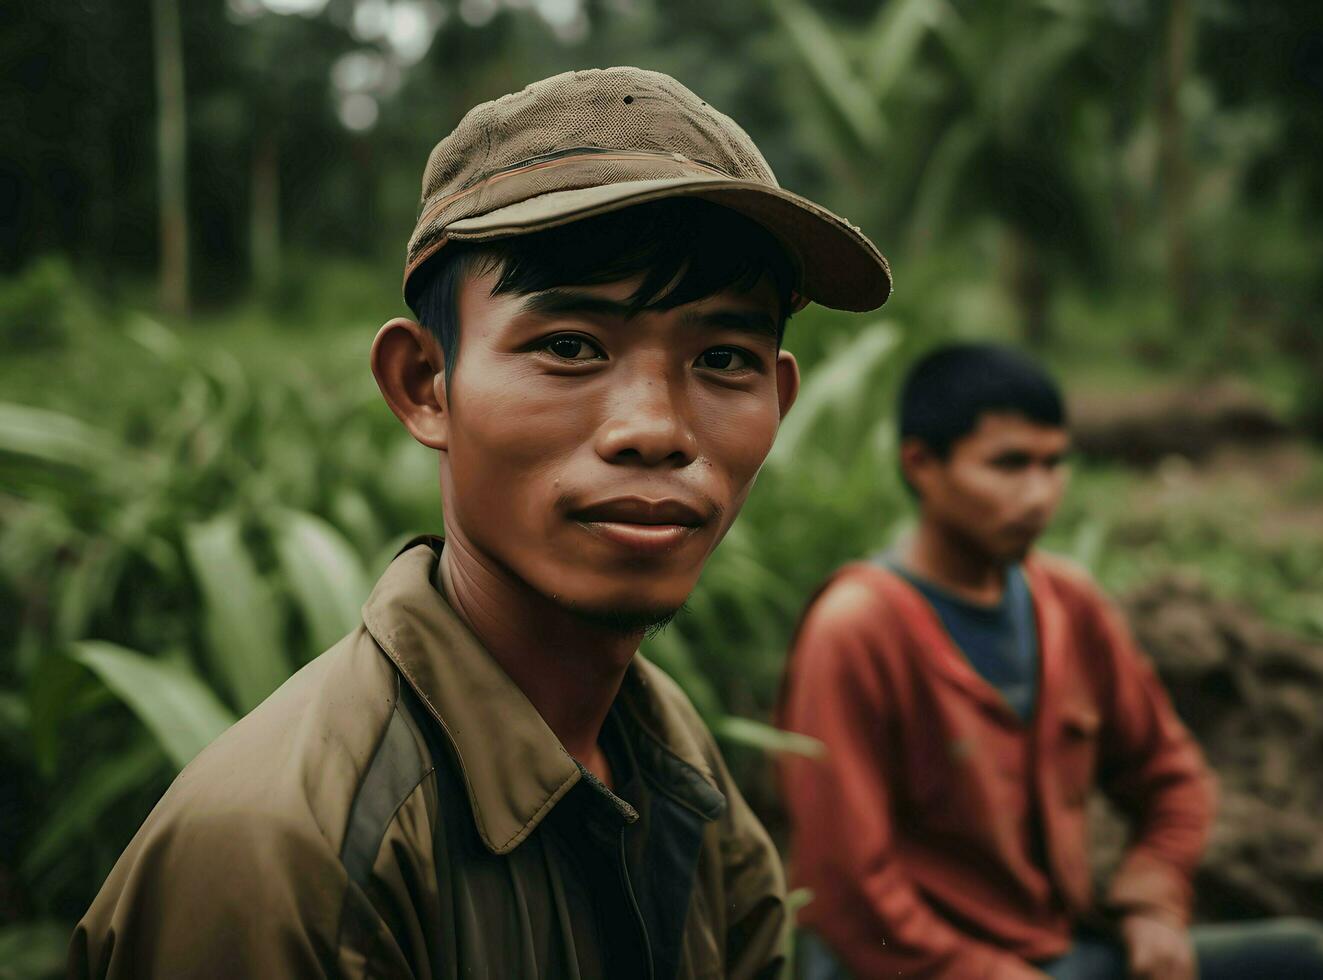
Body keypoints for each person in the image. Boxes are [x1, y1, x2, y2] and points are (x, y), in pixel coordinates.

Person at [67, 67, 891, 979]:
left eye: (724, 357)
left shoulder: (675, 771)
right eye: (570, 347)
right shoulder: (288, 854)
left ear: (779, 399)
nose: (656, 429)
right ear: (425, 386)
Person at [775, 343, 1323, 980]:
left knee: (1318, 964)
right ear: (922, 465)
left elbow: (1170, 775)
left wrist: (1153, 904)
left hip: (1055, 957)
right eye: (1009, 465)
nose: (1039, 494)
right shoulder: (856, 630)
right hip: (923, 971)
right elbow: (847, 891)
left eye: (1054, 463)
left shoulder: (1068, 605)